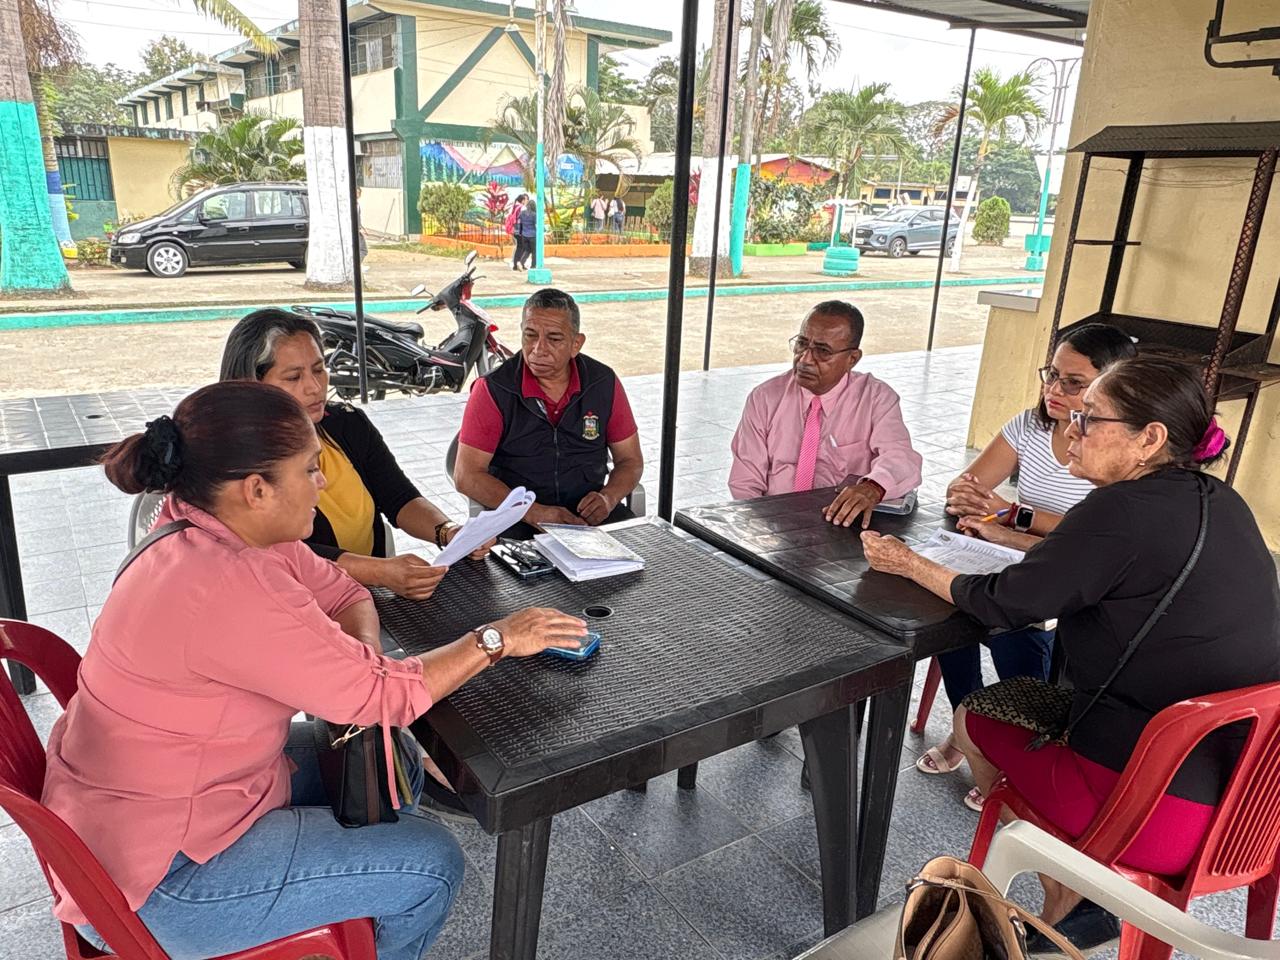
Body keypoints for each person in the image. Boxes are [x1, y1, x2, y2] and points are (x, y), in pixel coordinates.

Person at [41, 380, 587, 960]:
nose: (321, 483)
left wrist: (361, 666)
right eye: (309, 469)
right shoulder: (226, 583)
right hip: (156, 879)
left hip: (161, 798)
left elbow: (345, 592)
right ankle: (363, 913)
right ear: (257, 489)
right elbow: (384, 697)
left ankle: (352, 897)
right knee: (433, 864)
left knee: (395, 761)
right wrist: (497, 638)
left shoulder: (212, 526)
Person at [863, 356, 1280, 952]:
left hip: (1156, 809)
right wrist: (1007, 533)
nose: (1071, 430)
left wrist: (907, 562)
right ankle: (1078, 900)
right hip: (1253, 804)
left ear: (1149, 439)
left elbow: (1004, 603)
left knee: (974, 717)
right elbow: (1100, 561)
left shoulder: (1120, 509)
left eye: (1088, 418)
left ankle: (1071, 895)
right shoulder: (1218, 499)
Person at [916, 323, 1138, 811]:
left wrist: (1014, 516)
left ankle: (1011, 745)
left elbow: (1091, 538)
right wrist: (974, 500)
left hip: (1066, 579)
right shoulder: (1029, 426)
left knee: (1012, 625)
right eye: (1051, 374)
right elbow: (966, 487)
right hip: (1010, 555)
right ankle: (966, 725)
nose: (1054, 389)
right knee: (948, 612)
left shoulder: (1110, 449)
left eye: (1074, 383)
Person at [220, 309, 483, 602]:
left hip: (365, 598)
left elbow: (398, 497)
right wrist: (378, 572)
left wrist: (448, 532)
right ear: (251, 385)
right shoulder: (233, 463)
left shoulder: (345, 423)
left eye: (319, 369)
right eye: (294, 377)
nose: (314, 387)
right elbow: (278, 553)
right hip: (296, 605)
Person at [454, 287, 643, 537]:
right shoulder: (493, 389)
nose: (538, 349)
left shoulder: (602, 383)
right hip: (518, 519)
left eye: (554, 339)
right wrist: (533, 512)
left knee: (646, 556)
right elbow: (466, 475)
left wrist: (608, 498)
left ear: (576, 344)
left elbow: (630, 460)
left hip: (589, 515)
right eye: (530, 335)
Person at [728, 300, 923, 528]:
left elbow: (900, 458)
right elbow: (745, 482)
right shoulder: (765, 397)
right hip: (774, 523)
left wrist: (873, 487)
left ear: (852, 359)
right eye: (802, 344)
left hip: (842, 524)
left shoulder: (875, 398)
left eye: (823, 351)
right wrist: (758, 531)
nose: (805, 359)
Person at [513, 198, 537, 271]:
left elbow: (519, 222)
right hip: (533, 235)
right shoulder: (534, 214)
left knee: (527, 250)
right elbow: (536, 224)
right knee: (534, 251)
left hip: (524, 235)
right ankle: (533, 266)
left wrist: (519, 232)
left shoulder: (522, 213)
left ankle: (521, 262)